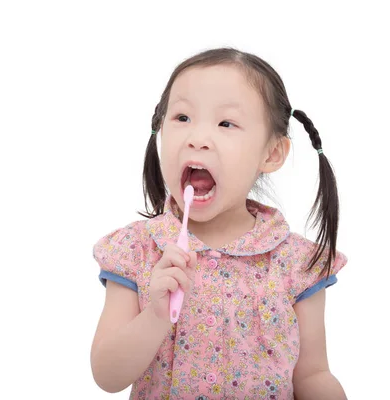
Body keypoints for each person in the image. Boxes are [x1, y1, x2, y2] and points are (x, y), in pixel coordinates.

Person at [91, 47, 349, 399]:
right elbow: (107, 375)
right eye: (181, 117)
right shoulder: (137, 250)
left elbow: (314, 375)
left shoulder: (296, 264)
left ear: (271, 154)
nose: (197, 137)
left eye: (226, 123)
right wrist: (154, 316)